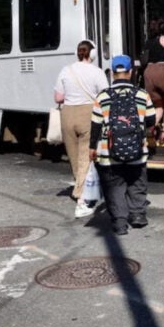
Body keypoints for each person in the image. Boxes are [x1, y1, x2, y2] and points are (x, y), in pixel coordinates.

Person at [89, 55, 155, 235]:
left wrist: (92, 147)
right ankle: (138, 215)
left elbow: (95, 125)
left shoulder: (102, 97)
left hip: (108, 153)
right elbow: (151, 120)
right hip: (137, 150)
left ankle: (119, 222)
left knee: (114, 186)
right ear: (131, 72)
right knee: (137, 182)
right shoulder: (142, 94)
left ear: (112, 74)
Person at [54, 40, 108, 218]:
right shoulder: (97, 72)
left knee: (74, 156)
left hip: (67, 115)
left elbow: (58, 97)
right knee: (86, 155)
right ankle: (82, 197)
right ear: (92, 54)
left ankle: (80, 187)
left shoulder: (65, 70)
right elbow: (105, 95)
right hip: (88, 113)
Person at [142, 18, 164, 145]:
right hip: (163, 71)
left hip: (148, 73)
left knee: (159, 106)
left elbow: (144, 60)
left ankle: (151, 127)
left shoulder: (148, 42)